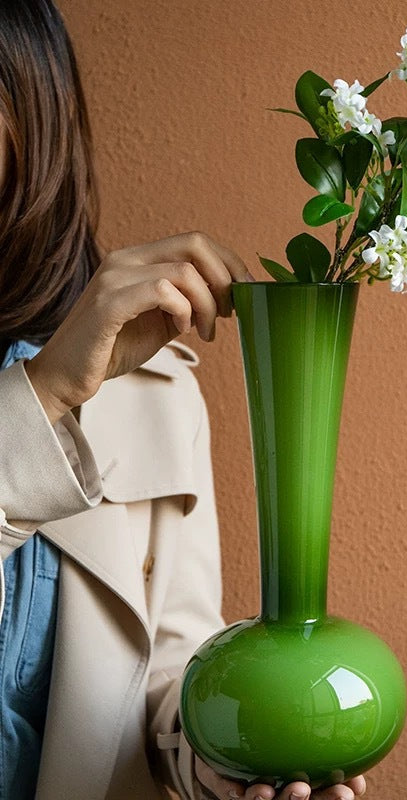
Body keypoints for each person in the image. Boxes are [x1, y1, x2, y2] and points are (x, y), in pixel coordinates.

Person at [0, 2, 369, 799]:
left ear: (32, 121)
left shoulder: (154, 387)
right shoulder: (82, 377)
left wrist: (225, 762)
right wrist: (44, 394)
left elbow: (167, 676)